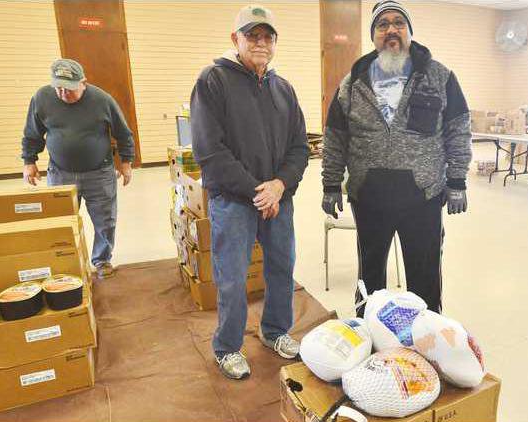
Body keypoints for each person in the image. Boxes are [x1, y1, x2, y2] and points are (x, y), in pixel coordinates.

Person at [321, 0, 472, 315]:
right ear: (373, 35)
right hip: (369, 197)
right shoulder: (353, 81)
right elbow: (336, 137)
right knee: (369, 277)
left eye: (398, 23)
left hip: (423, 197)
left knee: (425, 276)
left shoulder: (439, 76)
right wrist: (331, 184)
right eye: (382, 25)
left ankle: (426, 332)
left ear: (409, 31)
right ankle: (368, 330)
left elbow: (458, 130)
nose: (391, 30)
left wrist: (457, 180)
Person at [190, 4, 309, 380]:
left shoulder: (283, 89)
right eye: (251, 35)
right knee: (231, 276)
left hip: (278, 199)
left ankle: (275, 331)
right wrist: (258, 191)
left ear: (275, 43)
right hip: (233, 200)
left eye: (267, 37)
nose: (260, 43)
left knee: (281, 267)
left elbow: (299, 148)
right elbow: (209, 151)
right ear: (235, 39)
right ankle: (227, 347)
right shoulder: (212, 81)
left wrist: (279, 185)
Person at [21, 58, 135, 280]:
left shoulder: (102, 100)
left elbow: (123, 133)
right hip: (60, 172)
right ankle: (67, 262)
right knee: (61, 222)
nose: (63, 93)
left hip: (99, 172)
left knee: (105, 221)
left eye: (69, 88)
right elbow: (32, 133)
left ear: (83, 82)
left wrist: (127, 162)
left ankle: (102, 260)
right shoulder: (42, 98)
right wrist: (29, 161)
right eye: (59, 88)